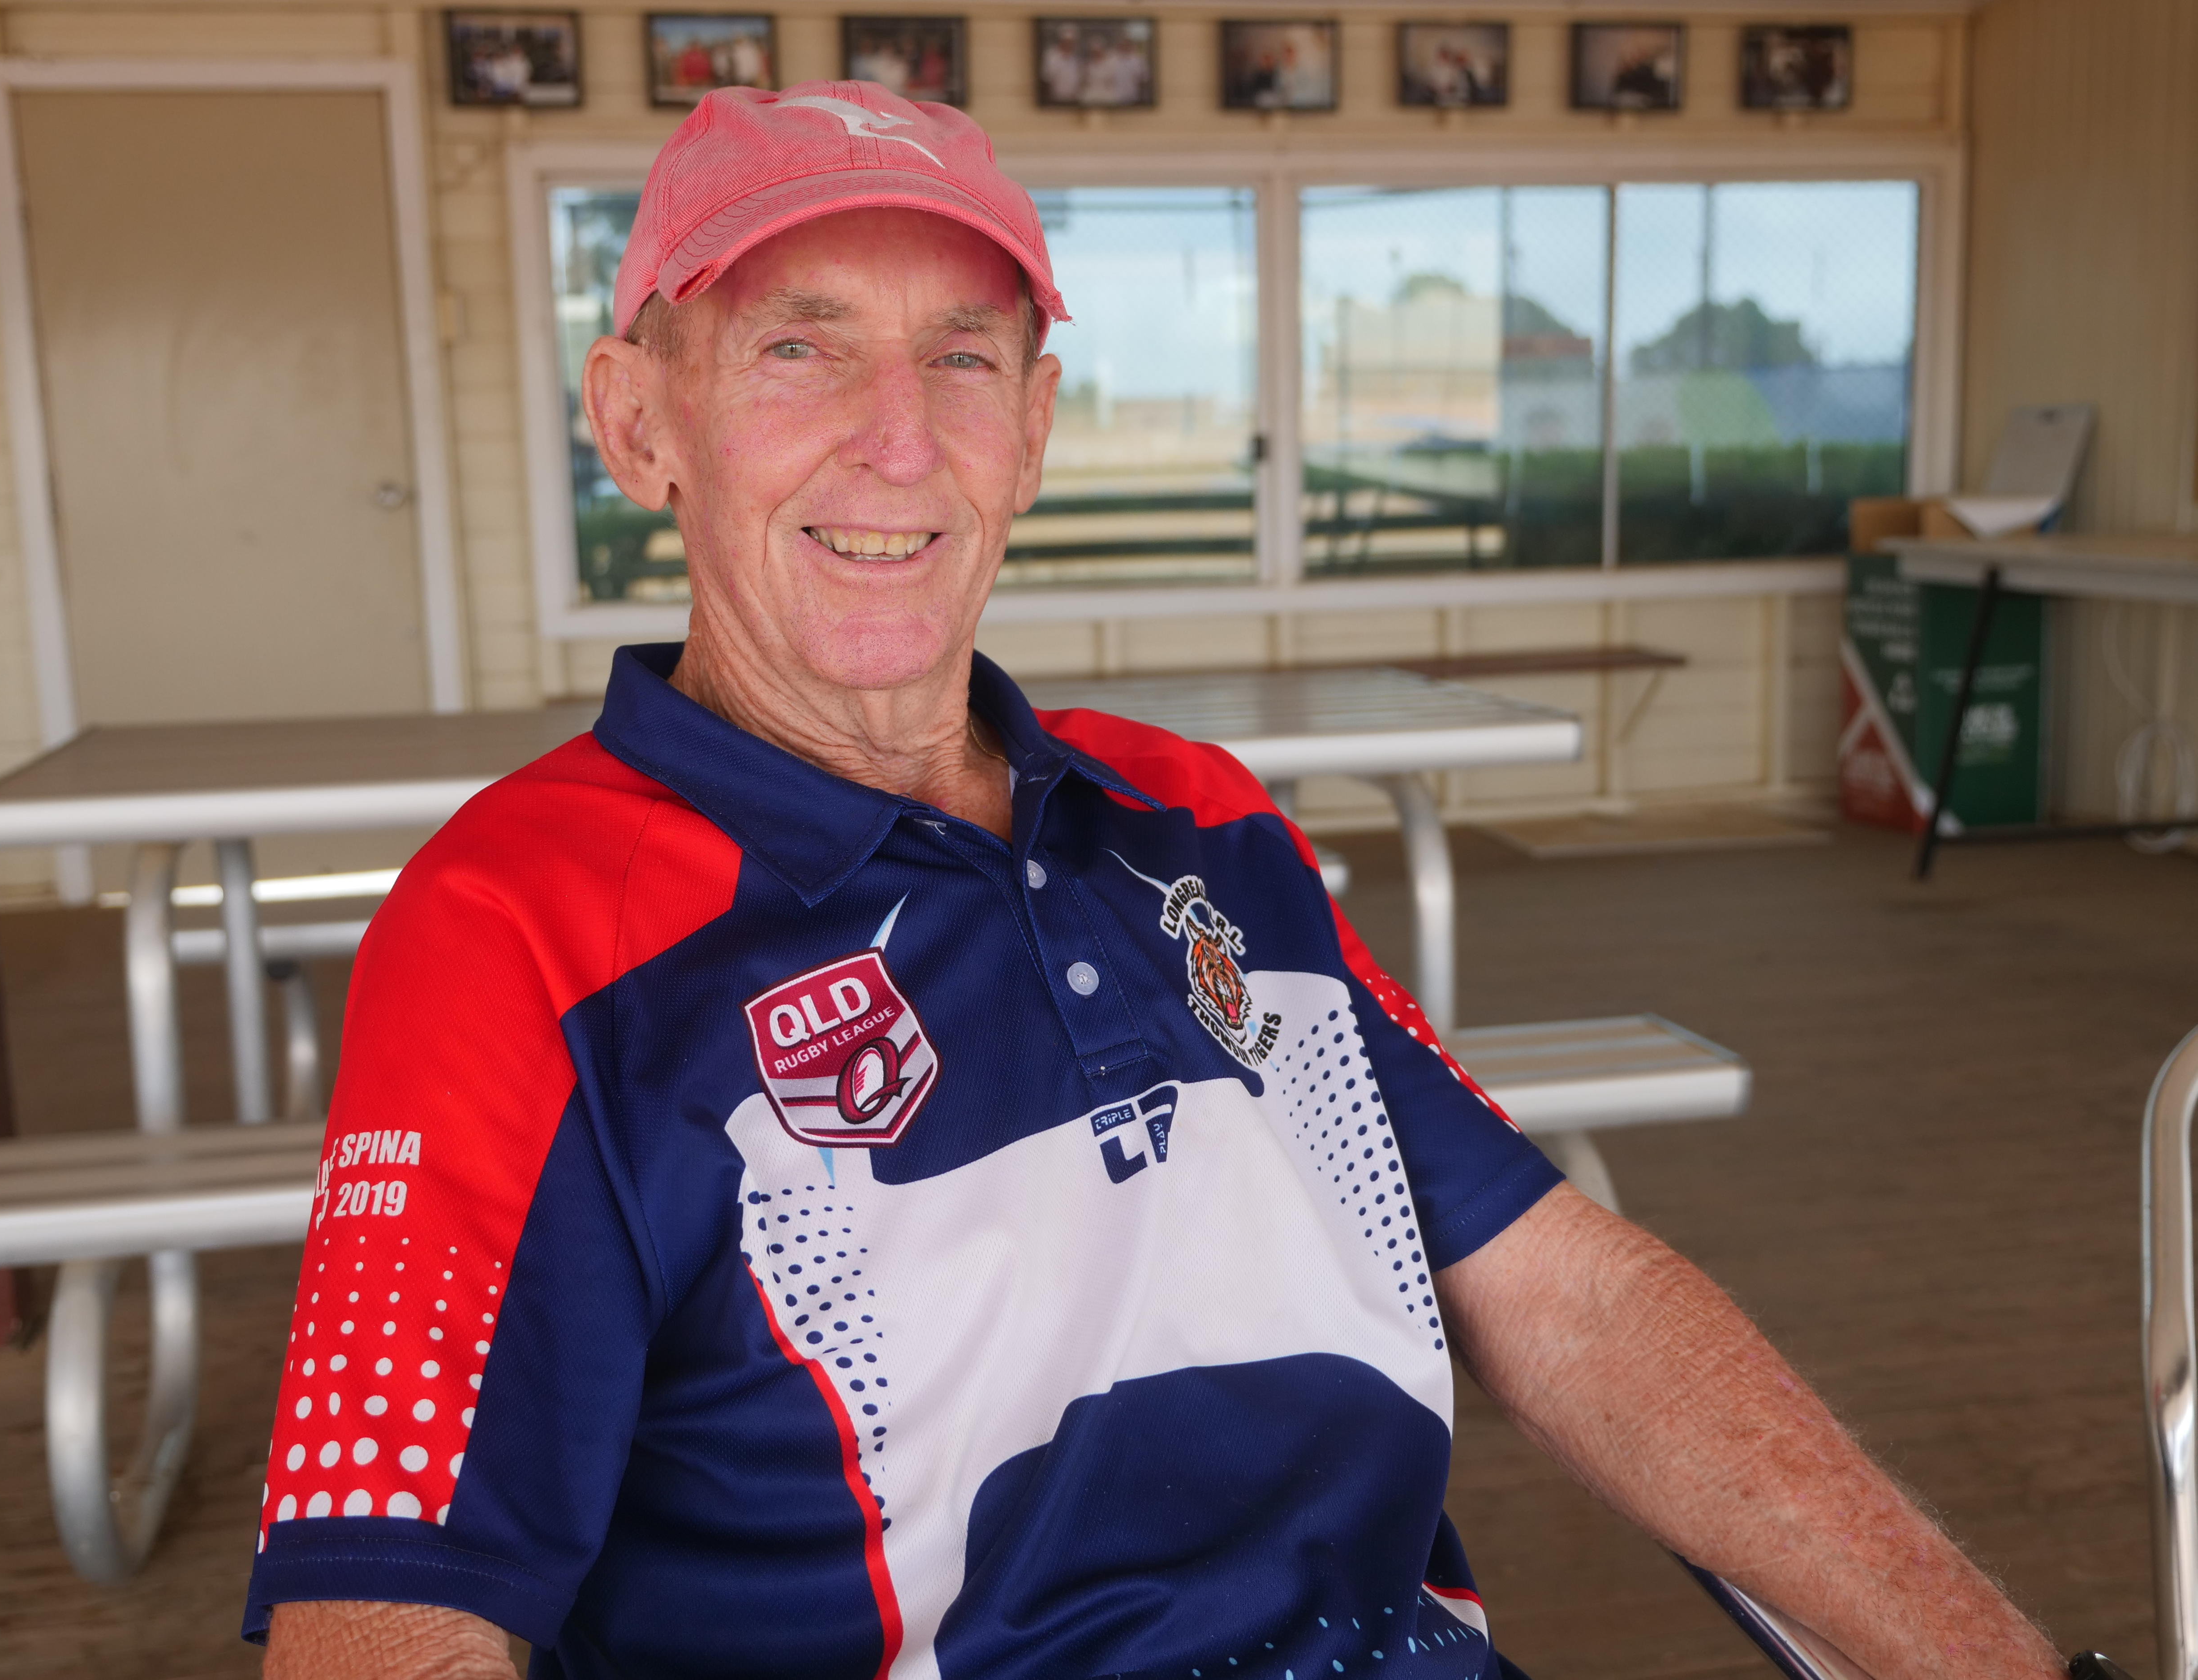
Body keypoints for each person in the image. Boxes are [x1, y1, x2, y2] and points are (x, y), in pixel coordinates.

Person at [249, 80, 2069, 1680]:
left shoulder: (1196, 816)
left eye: (961, 354)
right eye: (797, 345)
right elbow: (391, 1615)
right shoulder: (515, 925)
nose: (897, 433)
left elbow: (1564, 1290)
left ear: (1032, 427)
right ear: (640, 419)